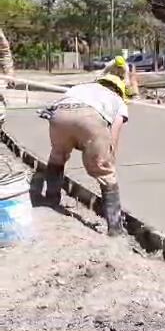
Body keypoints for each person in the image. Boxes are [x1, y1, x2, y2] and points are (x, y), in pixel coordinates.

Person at [38, 74, 129, 236]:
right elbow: (114, 131)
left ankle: (51, 200)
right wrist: (108, 157)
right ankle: (115, 228)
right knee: (105, 172)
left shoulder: (81, 87)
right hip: (90, 119)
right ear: (119, 90)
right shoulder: (117, 99)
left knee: (58, 156)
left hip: (60, 115)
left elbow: (65, 105)